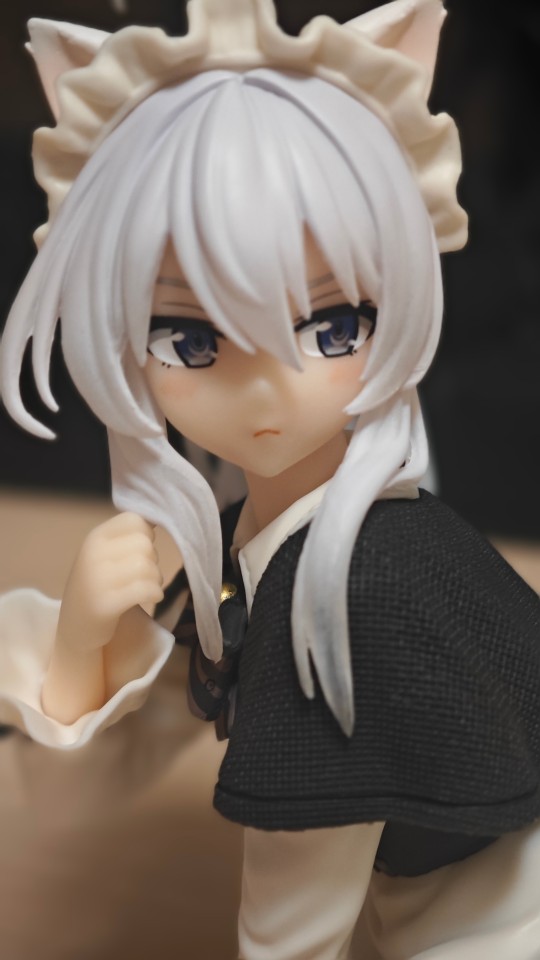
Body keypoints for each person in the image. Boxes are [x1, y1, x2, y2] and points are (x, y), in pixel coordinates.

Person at [1, 1, 540, 957]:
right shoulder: (266, 544)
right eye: (190, 339)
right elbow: (109, 773)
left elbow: (294, 918)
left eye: (333, 327)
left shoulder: (355, 587)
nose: (266, 392)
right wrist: (82, 647)